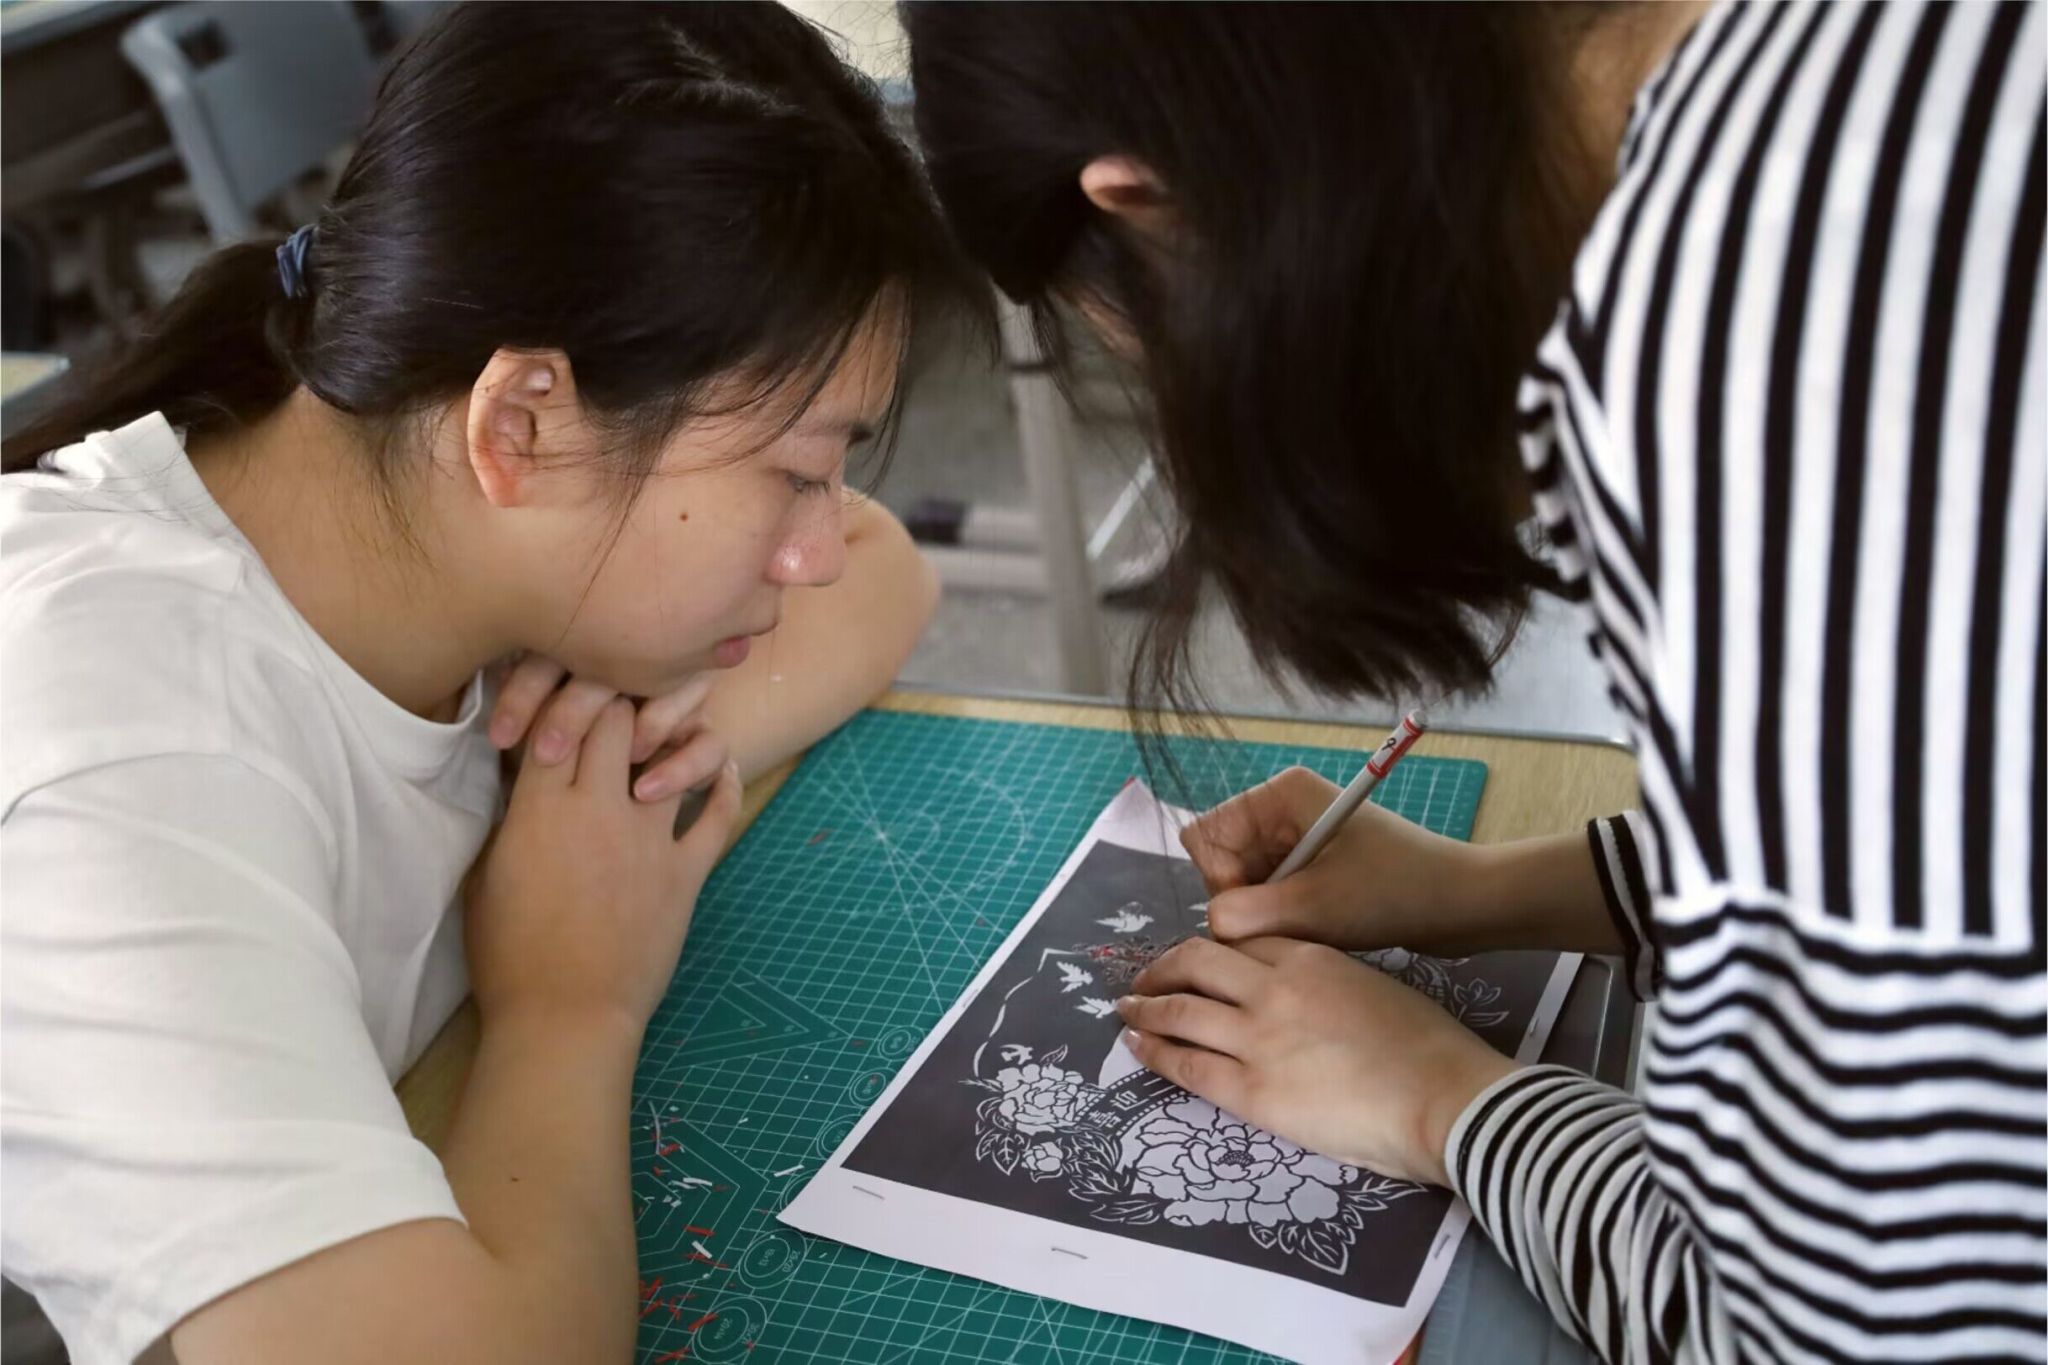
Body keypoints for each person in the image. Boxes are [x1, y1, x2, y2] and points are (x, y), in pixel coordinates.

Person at [902, 2, 2046, 1360]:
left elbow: (1829, 1333)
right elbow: (1938, 844)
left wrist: (1442, 1099)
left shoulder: (1763, 381)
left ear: (1159, 203)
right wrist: (1482, 890)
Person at [0, 4, 964, 1361]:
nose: (811, 546)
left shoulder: (412, 524)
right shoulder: (127, 745)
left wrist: (602, 792)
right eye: (797, 472)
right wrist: (570, 998)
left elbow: (880, 574)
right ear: (521, 423)